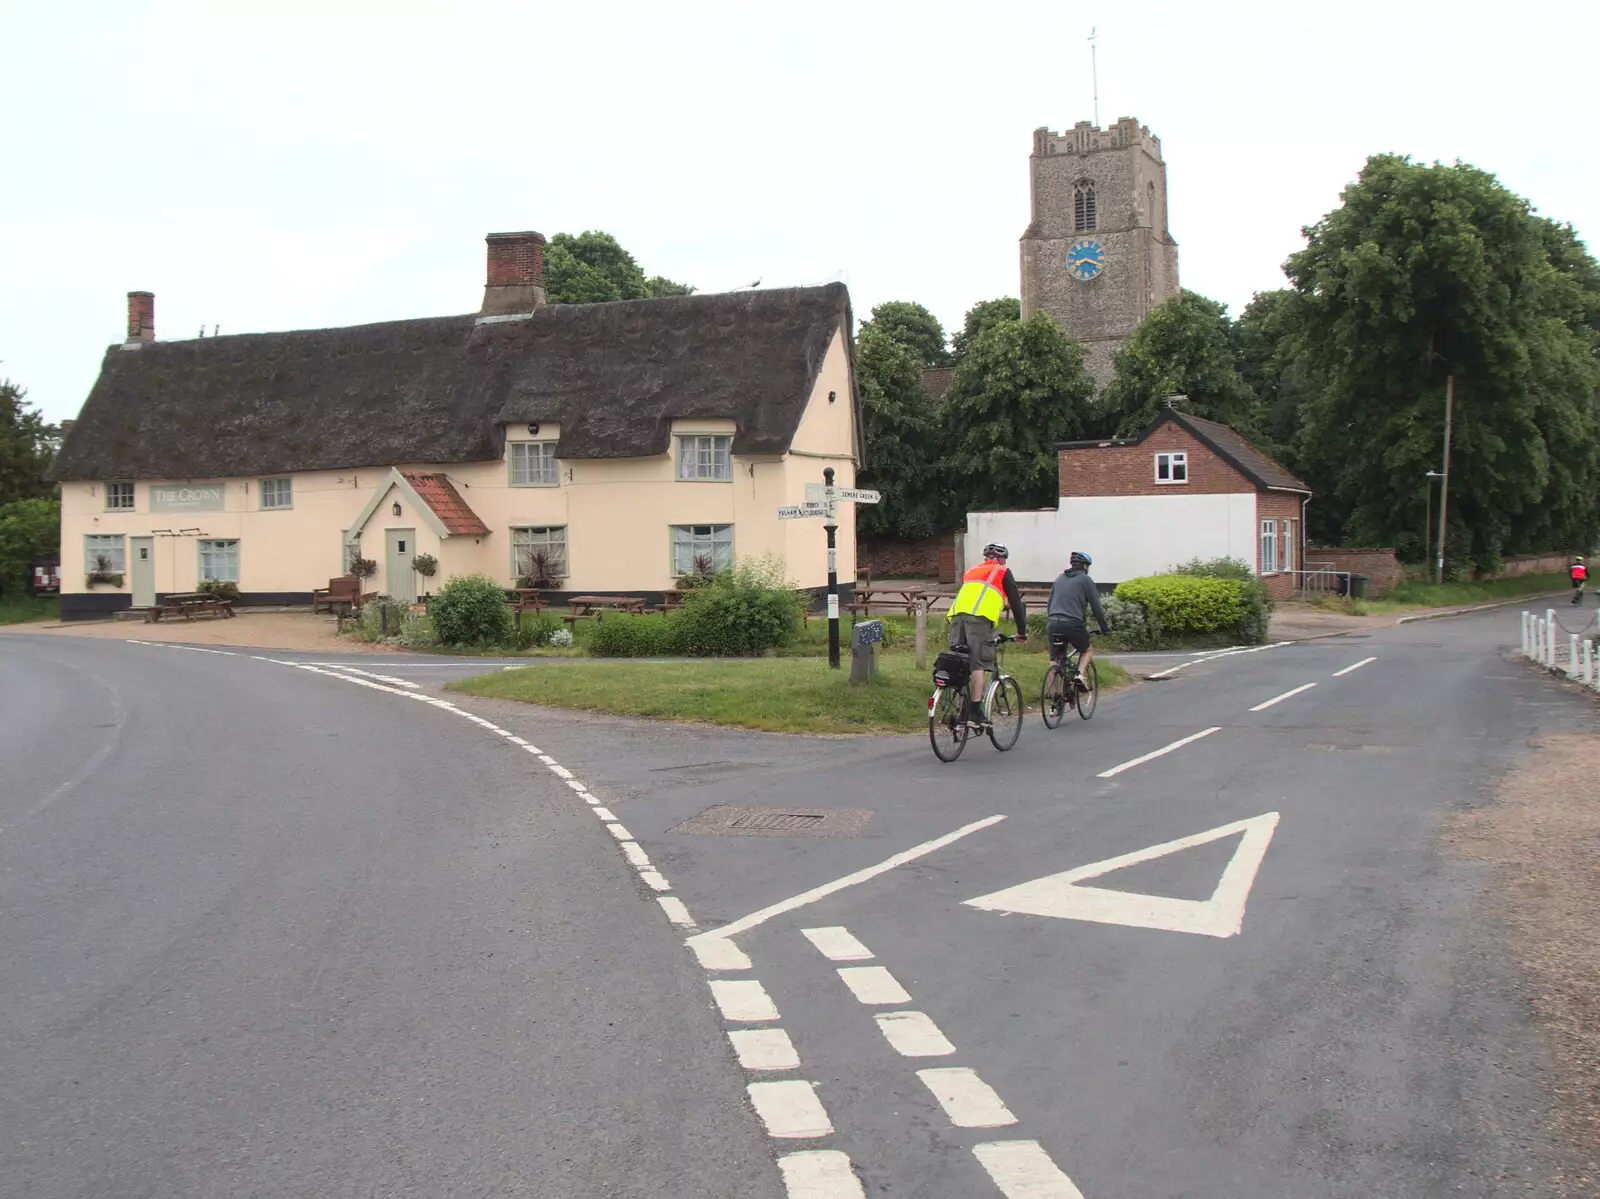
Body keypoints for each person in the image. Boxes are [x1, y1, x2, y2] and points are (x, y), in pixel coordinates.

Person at [946, 543, 1026, 729]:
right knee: (978, 663)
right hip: (979, 620)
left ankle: (960, 706)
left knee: (960, 660)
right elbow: (1016, 603)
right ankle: (974, 712)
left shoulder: (972, 571)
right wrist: (1022, 631)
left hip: (956, 618)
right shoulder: (1002, 571)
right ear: (1002, 559)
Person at [1047, 551, 1109, 692]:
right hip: (1072, 623)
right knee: (1087, 650)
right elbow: (1096, 607)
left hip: (1052, 622)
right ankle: (1080, 674)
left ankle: (1053, 698)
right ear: (1086, 566)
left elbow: (1050, 603)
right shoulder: (1085, 580)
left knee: (1054, 660)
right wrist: (1104, 628)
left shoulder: (1059, 578)